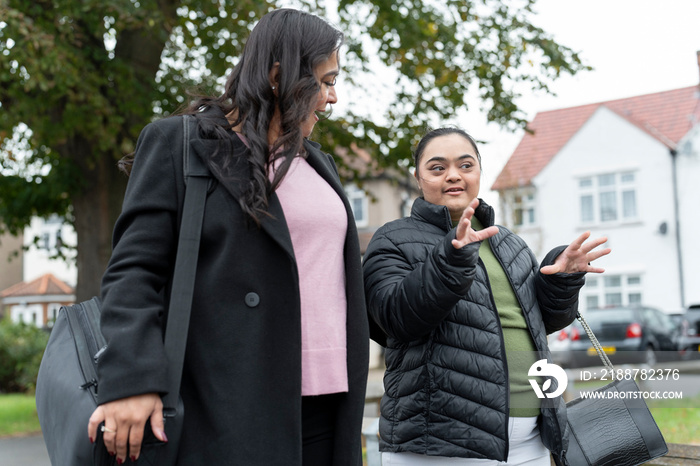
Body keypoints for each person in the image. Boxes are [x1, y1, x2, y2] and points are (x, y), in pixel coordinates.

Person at [87, 9, 369, 466]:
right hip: (229, 405)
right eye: (326, 80)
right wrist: (132, 379)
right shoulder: (180, 143)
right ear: (279, 77)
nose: (333, 97)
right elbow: (133, 271)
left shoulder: (319, 164)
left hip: (328, 406)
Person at [362, 127, 611, 465]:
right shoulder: (392, 239)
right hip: (439, 445)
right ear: (417, 178)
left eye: (466, 165)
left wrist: (562, 281)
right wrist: (450, 261)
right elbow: (396, 319)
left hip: (530, 443)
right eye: (437, 168)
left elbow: (542, 324)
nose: (453, 175)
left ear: (479, 171)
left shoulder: (509, 243)